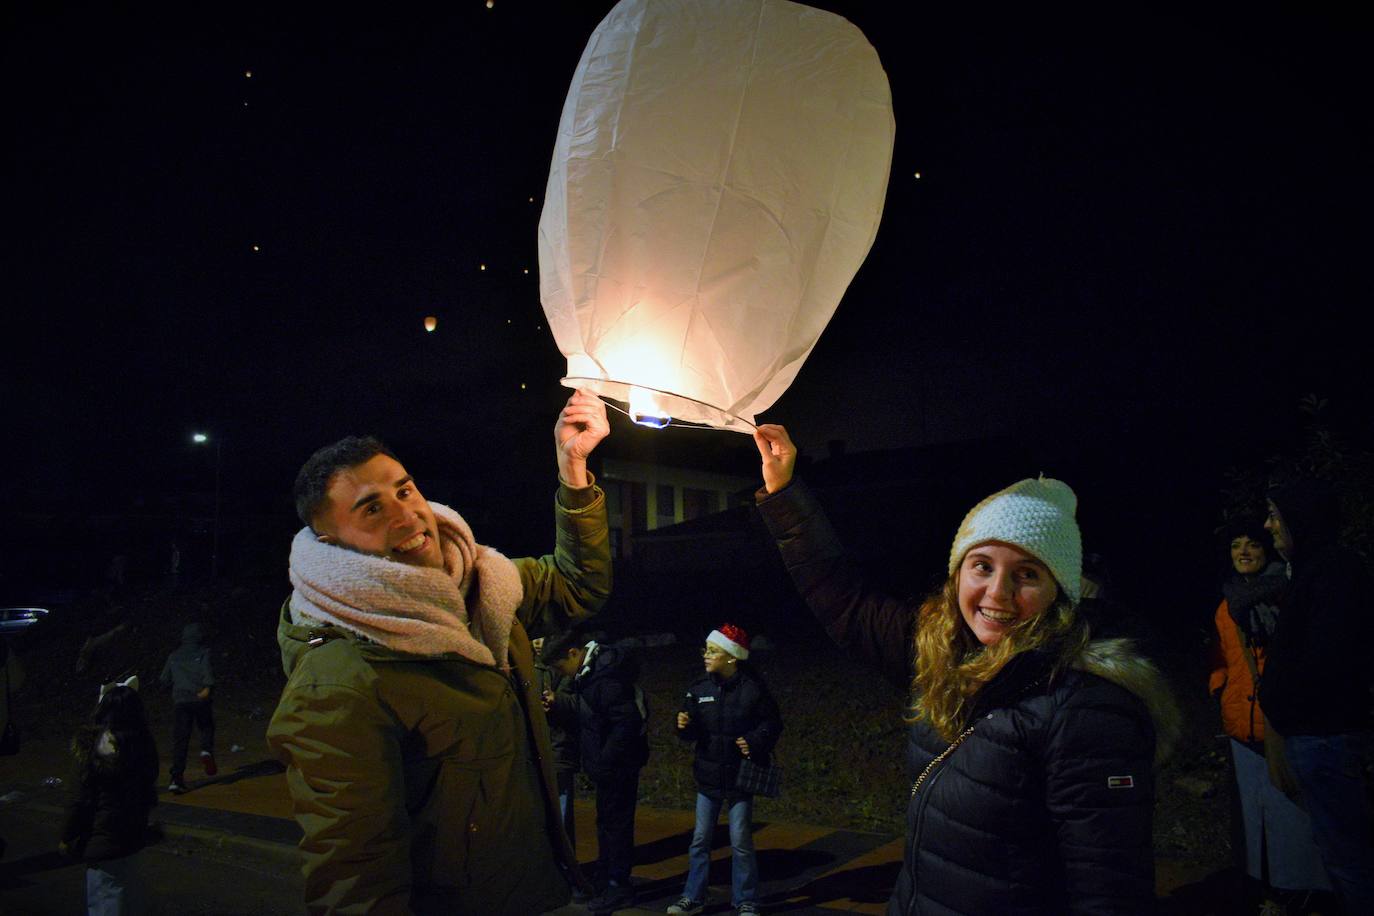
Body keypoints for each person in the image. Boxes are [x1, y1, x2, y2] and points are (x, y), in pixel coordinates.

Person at [750, 424, 1179, 915]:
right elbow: (844, 599)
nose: (997, 594)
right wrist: (785, 493)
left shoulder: (1087, 710)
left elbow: (1110, 893)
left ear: (1059, 591)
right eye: (982, 566)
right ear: (958, 572)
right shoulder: (943, 654)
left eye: (1027, 574)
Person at [266, 390, 612, 915]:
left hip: (537, 891)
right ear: (329, 541)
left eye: (405, 491)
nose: (406, 516)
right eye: (372, 509)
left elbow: (578, 584)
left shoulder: (481, 584)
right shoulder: (337, 684)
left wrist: (573, 469)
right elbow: (354, 879)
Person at [1260, 479, 1374, 914]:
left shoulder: (1334, 572)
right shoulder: (1316, 569)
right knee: (1339, 851)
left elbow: (1326, 663)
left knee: (1349, 856)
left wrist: (1282, 708)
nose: (1268, 525)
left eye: (1275, 515)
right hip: (1316, 734)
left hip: (1324, 735)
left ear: (1301, 521)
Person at [1208, 517, 1331, 910]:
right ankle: (1263, 893)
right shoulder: (1227, 606)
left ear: (1268, 550)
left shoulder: (1289, 595)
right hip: (1240, 724)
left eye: (1253, 545)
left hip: (1282, 723)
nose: (1243, 552)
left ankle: (1302, 895)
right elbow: (1223, 659)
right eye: (1236, 545)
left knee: (1292, 817)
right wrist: (1219, 687)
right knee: (1252, 818)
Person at [668, 623, 782, 916]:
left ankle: (746, 900)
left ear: (732, 657)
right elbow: (690, 730)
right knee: (700, 840)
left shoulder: (753, 690)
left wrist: (755, 741)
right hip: (707, 777)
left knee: (741, 842)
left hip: (739, 779)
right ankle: (693, 896)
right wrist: (683, 726)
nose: (706, 656)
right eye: (706, 650)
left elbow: (772, 723)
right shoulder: (698, 688)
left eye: (713, 651)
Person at [543, 626, 650, 915]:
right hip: (606, 766)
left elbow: (624, 724)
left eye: (560, 665)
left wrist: (604, 761)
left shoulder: (606, 677)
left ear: (573, 653)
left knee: (616, 825)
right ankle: (606, 878)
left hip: (618, 766)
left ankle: (618, 886)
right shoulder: (591, 674)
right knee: (606, 823)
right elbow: (590, 713)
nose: (561, 672)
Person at [59, 677, 159, 916]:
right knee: (130, 897)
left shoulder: (93, 748)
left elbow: (79, 800)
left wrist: (68, 837)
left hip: (102, 839)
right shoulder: (142, 744)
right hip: (133, 834)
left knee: (106, 900)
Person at [534, 635, 582, 859]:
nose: (536, 642)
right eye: (533, 636)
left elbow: (577, 702)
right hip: (535, 750)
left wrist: (556, 701)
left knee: (561, 815)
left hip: (558, 748)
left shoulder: (563, 666)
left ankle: (566, 870)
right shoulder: (524, 666)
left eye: (541, 637)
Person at [159, 622, 216, 792]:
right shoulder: (203, 652)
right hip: (200, 699)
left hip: (181, 702)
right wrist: (207, 687)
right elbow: (208, 676)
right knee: (206, 726)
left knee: (181, 741)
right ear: (199, 636)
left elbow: (164, 680)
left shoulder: (173, 656)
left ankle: (176, 779)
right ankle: (206, 750)